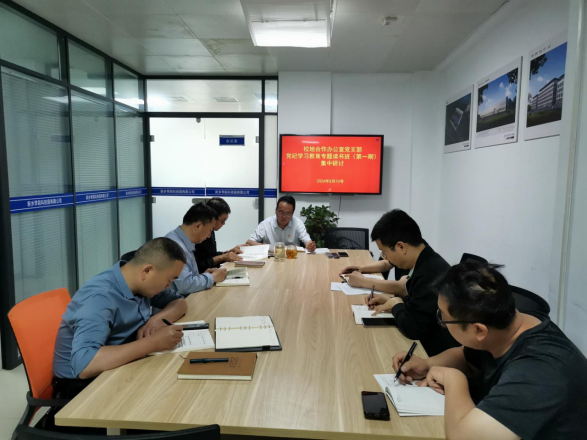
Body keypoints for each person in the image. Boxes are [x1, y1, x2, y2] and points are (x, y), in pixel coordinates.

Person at [392, 262, 587, 440]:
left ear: (479, 330)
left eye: (443, 318)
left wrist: (454, 379)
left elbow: (464, 437)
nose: (441, 321)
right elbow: (466, 356)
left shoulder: (539, 372)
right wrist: (428, 364)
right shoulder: (505, 323)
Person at [53, 238, 188, 388]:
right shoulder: (100, 297)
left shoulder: (140, 283)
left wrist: (157, 320)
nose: (168, 286)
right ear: (147, 271)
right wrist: (155, 342)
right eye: (168, 280)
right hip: (80, 386)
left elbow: (179, 302)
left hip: (117, 367)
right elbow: (85, 365)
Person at [365, 209, 458, 356]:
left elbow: (412, 328)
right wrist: (389, 300)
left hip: (435, 352)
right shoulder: (425, 259)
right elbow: (419, 303)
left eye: (384, 252)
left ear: (401, 247)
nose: (386, 258)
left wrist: (395, 304)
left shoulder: (430, 273)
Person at [166, 202, 227, 295]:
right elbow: (185, 286)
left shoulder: (180, 239)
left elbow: (185, 278)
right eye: (210, 230)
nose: (209, 236)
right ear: (198, 226)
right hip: (175, 301)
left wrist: (202, 275)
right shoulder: (176, 247)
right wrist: (212, 278)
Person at [246, 195, 316, 252]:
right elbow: (249, 242)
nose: (284, 216)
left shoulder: (297, 223)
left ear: (292, 214)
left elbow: (307, 240)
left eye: (288, 214)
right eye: (281, 212)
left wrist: (310, 245)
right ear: (276, 211)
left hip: (292, 257)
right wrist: (265, 247)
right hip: (272, 258)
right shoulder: (266, 224)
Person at [195, 197, 243, 273]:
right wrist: (222, 257)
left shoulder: (211, 230)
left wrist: (227, 253)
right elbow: (198, 266)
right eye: (223, 221)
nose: (224, 224)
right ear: (212, 217)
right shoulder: (197, 233)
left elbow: (211, 255)